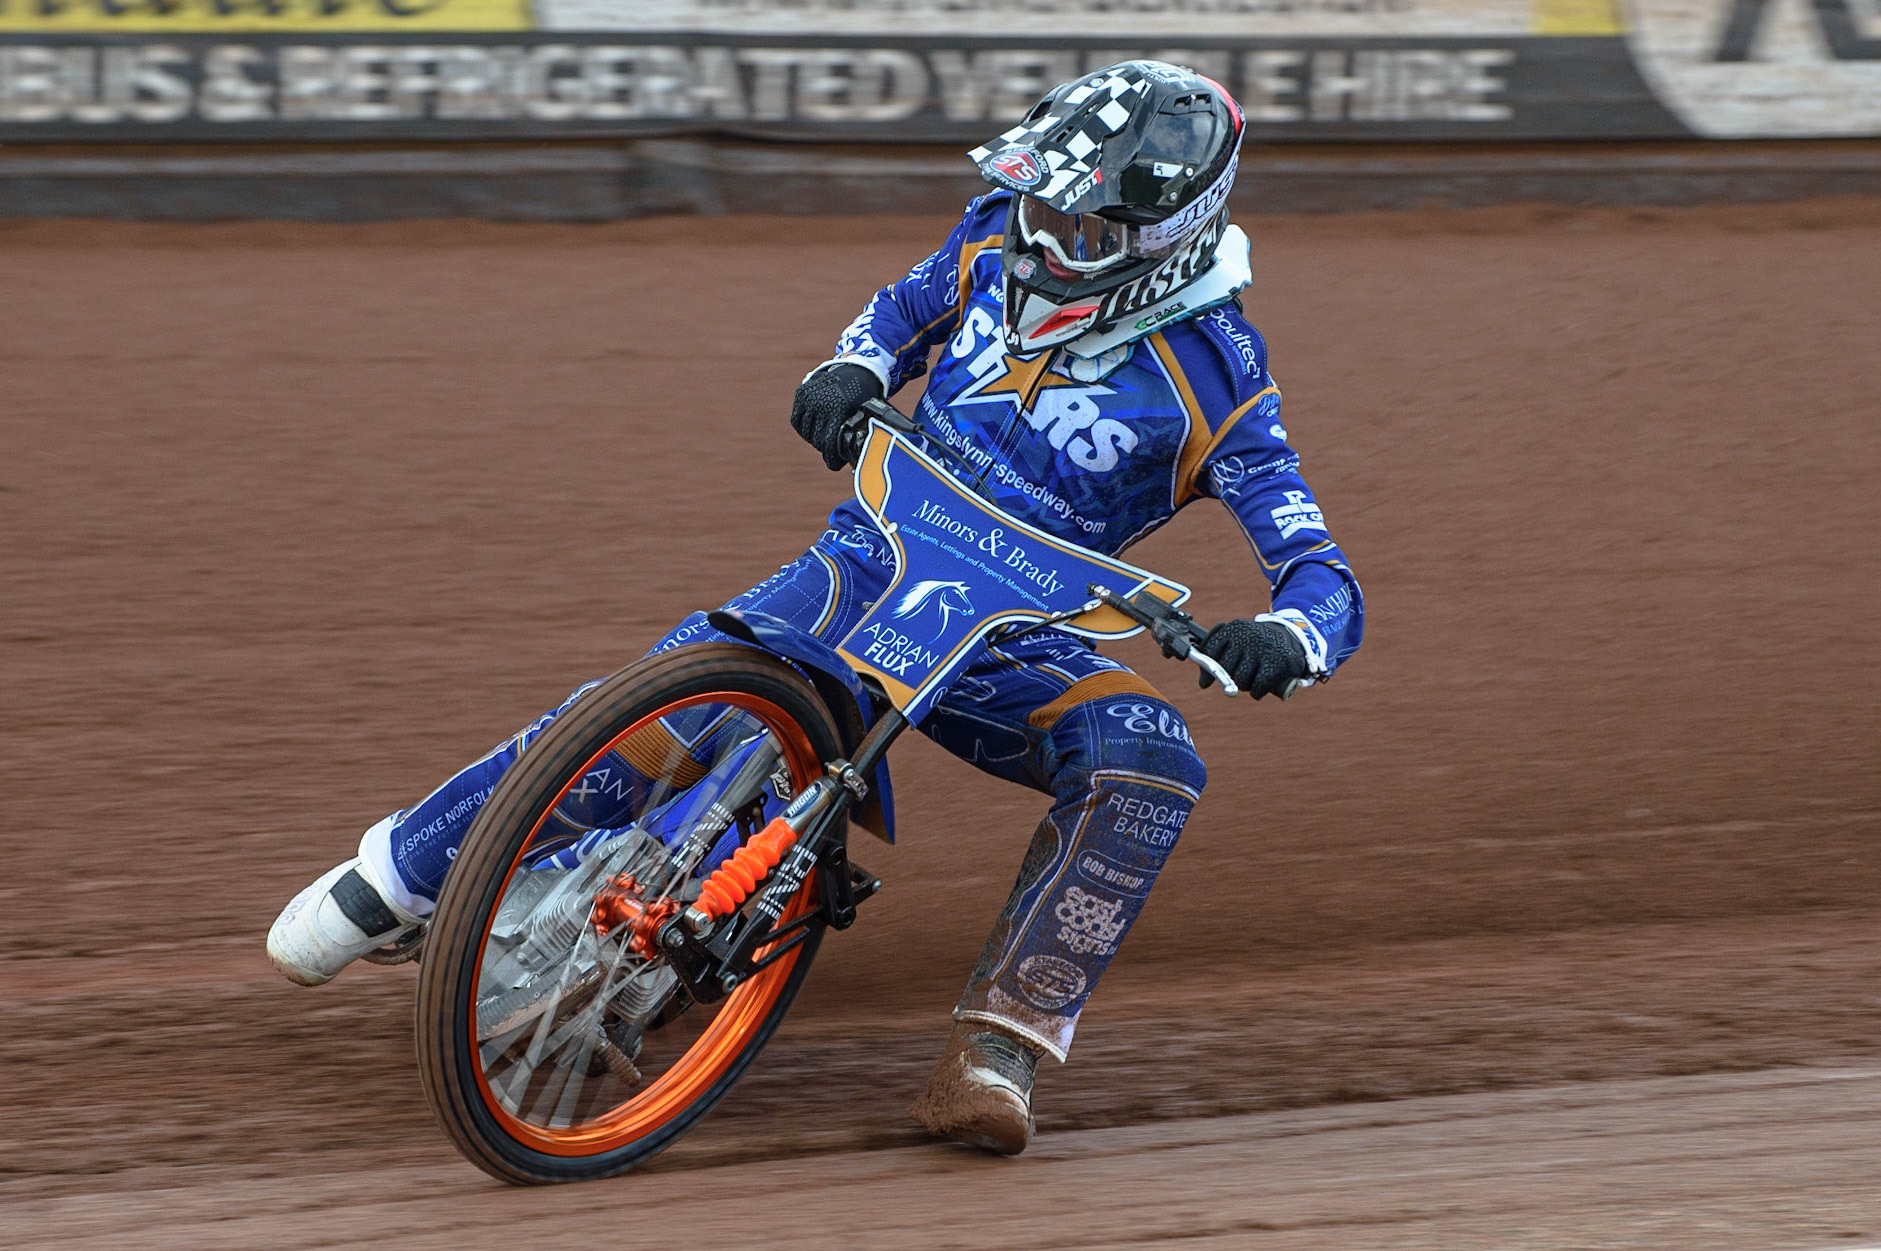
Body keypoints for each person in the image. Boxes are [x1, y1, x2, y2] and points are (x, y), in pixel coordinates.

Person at [267, 60, 1364, 1157]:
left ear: (1167, 234)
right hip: (871, 562)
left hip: (1014, 644)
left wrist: (1288, 636)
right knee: (678, 698)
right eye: (1040, 205)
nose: (1043, 241)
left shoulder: (1221, 383)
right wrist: (852, 367)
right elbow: (902, 310)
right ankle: (402, 875)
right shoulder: (992, 236)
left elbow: (1322, 573)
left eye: (1080, 228)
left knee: (1151, 760)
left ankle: (999, 1049)